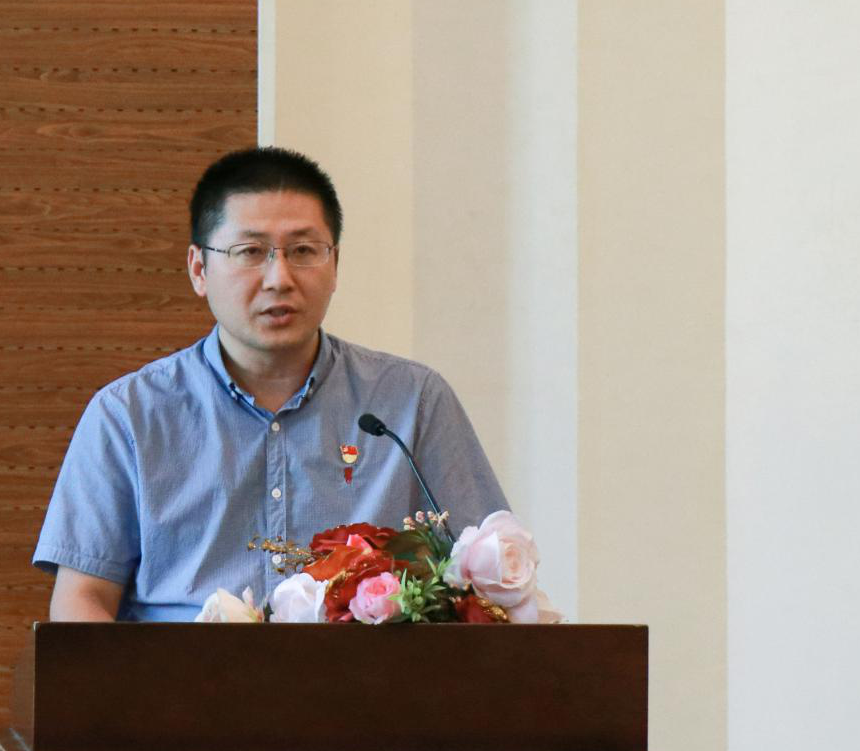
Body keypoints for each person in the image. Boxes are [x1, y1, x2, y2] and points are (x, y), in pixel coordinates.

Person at [34, 147, 508, 621]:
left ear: (335, 265)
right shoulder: (128, 414)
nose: (279, 279)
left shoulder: (412, 401)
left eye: (303, 251)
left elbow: (487, 582)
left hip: (365, 669)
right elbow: (82, 599)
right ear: (199, 269)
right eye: (250, 252)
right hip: (180, 669)